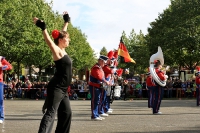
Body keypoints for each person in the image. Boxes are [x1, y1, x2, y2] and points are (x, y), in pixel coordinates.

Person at [33, 11, 72, 133]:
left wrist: (66, 22)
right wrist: (43, 29)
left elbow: (61, 33)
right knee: (51, 113)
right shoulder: (57, 51)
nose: (69, 40)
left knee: (67, 113)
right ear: (61, 40)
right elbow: (49, 42)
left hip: (63, 89)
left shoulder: (63, 50)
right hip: (56, 88)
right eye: (67, 38)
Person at [88, 55, 110, 121]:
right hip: (94, 86)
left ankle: (96, 114)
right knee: (95, 101)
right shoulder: (96, 68)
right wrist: (106, 81)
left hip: (98, 86)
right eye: (104, 62)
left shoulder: (99, 68)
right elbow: (99, 77)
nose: (104, 64)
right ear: (100, 61)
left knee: (97, 101)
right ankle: (94, 115)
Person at [0, 56, 12, 124]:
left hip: (0, 82)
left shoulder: (1, 59)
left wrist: (2, 67)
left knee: (0, 100)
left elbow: (10, 66)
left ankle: (1, 117)